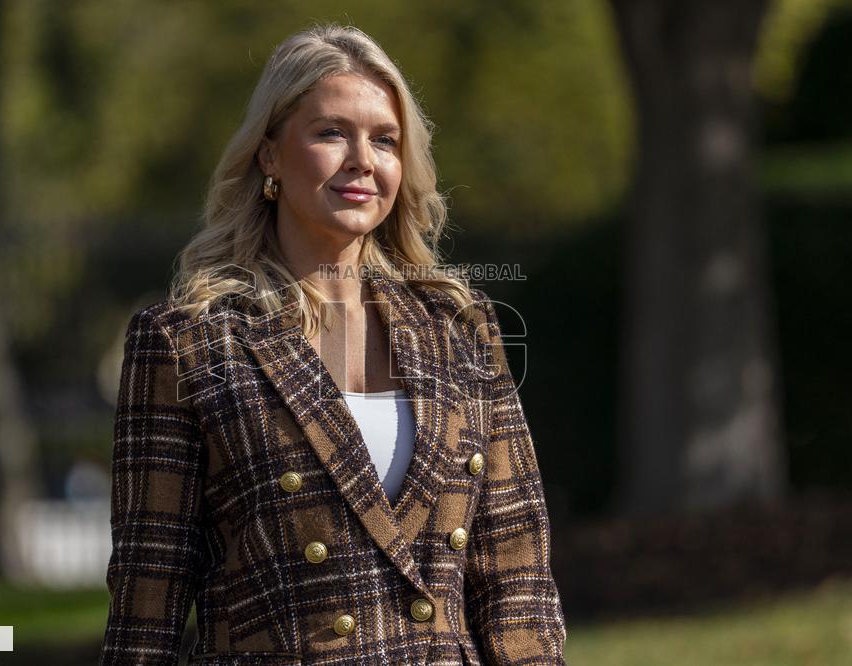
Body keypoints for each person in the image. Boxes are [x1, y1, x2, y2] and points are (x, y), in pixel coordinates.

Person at [99, 22, 566, 666]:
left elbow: (517, 581)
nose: (363, 161)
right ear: (268, 154)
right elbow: (147, 601)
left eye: (385, 140)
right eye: (330, 133)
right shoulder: (188, 342)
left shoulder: (462, 326)